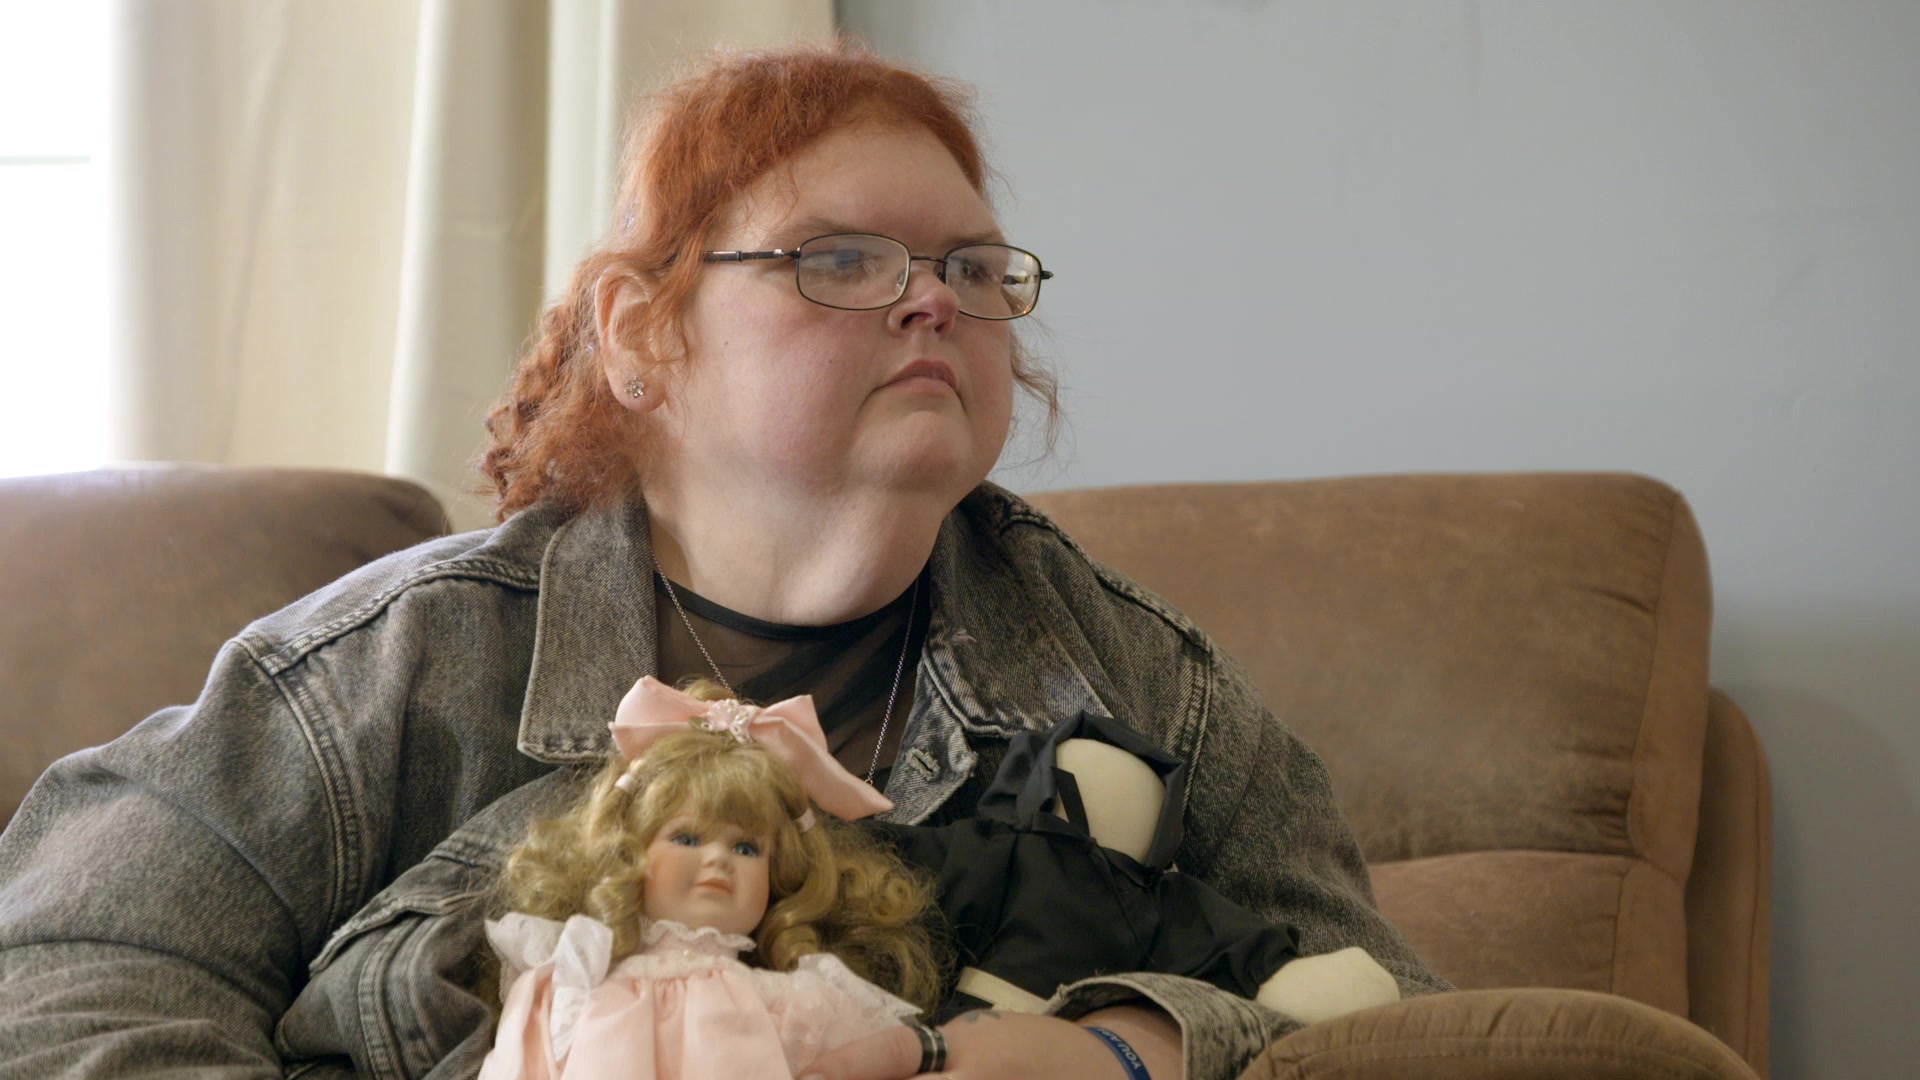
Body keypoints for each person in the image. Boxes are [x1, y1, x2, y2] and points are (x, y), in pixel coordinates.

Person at [0, 40, 1450, 1080]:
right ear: (644, 337)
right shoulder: (382, 674)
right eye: (840, 259)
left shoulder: (1144, 682)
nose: (933, 303)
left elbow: (1403, 1017)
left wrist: (1127, 1048)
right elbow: (65, 976)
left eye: (970, 267)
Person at [479, 677, 938, 1079]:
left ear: (779, 876)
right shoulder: (573, 982)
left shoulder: (796, 1005)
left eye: (746, 849)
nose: (719, 859)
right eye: (687, 838)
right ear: (627, 851)